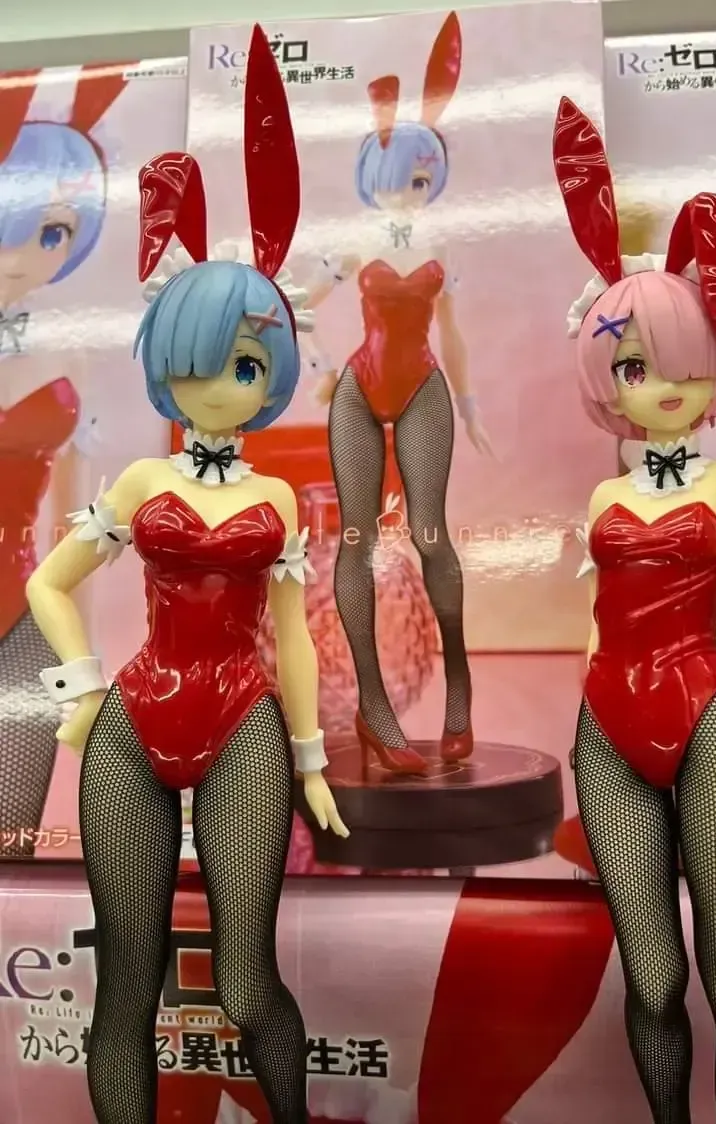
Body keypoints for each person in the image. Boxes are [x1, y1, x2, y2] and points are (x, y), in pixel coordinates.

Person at [25, 27, 347, 1123]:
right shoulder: (138, 480)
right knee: (127, 980)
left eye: (248, 364)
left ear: (274, 371)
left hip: (243, 716)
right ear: (168, 362)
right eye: (202, 360)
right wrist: (80, 689)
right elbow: (49, 583)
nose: (223, 383)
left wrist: (310, 759)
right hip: (134, 718)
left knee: (247, 980)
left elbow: (292, 634)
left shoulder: (278, 500)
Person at [556, 96, 716, 1123]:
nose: (656, 384)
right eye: (632, 365)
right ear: (607, 378)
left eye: (678, 360)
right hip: (607, 724)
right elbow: (598, 621)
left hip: (710, 719)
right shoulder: (604, 497)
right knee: (650, 977)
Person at [307, 12, 491, 774]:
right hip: (359, 385)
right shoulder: (355, 241)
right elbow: (296, 302)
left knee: (429, 534)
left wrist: (469, 406)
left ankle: (459, 690)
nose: (405, 192)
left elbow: (454, 333)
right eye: (392, 178)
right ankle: (373, 711)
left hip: (422, 386)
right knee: (354, 539)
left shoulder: (443, 242)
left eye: (416, 179)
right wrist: (317, 365)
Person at [0, 63, 126, 856]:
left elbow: (82, 528)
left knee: (11, 827)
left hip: (27, 610)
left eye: (52, 233)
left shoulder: (68, 352)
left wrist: (87, 652)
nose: (23, 256)